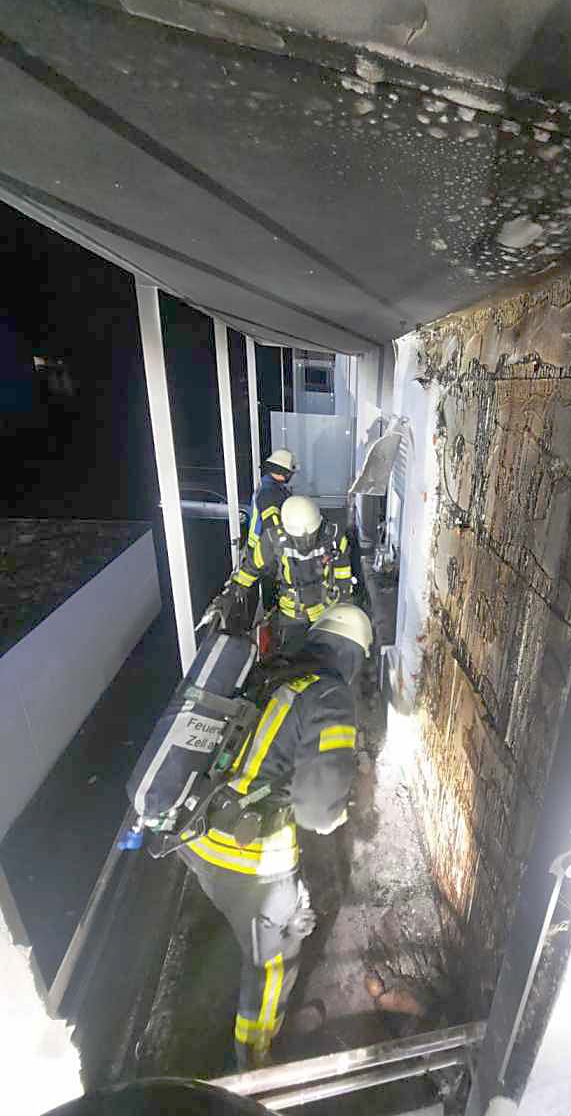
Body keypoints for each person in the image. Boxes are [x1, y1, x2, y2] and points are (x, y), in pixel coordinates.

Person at [178, 604, 374, 1070]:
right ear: (353, 654)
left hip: (196, 830)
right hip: (244, 855)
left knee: (263, 927)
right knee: (274, 963)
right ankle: (255, 1062)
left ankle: (266, 1023)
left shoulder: (278, 672)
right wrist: (352, 796)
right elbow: (318, 814)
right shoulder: (330, 695)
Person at [210, 496, 354, 653]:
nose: (306, 541)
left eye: (311, 535)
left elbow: (343, 568)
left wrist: (345, 598)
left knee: (327, 657)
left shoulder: (333, 537)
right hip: (292, 615)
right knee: (293, 658)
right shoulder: (273, 540)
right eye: (301, 538)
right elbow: (251, 568)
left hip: (326, 611)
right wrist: (234, 590)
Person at [247, 449, 298, 553]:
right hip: (262, 547)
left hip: (261, 543)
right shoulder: (270, 493)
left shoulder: (271, 486)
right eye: (290, 473)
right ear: (284, 472)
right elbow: (272, 527)